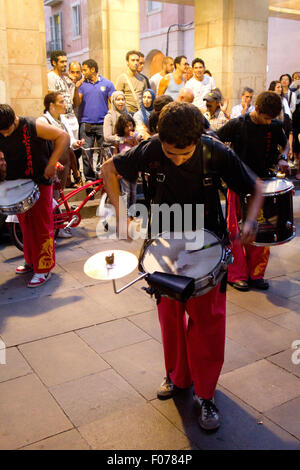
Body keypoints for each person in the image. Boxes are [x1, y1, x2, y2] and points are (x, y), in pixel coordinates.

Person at [102, 102, 263, 432]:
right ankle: (177, 377)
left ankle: (205, 394)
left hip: (208, 243)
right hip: (162, 243)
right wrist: (119, 214)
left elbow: (256, 187)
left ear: (198, 138)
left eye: (182, 154)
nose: (174, 159)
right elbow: (108, 169)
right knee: (170, 320)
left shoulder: (216, 152)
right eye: (169, 153)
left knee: (208, 325)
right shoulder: (149, 149)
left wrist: (249, 221)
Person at [217, 91, 289, 292]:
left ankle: (256, 273)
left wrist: (283, 156)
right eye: (266, 118)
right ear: (256, 109)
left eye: (271, 119)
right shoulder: (237, 124)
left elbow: (286, 144)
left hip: (263, 185)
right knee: (236, 231)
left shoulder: (274, 126)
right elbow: (214, 140)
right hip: (238, 185)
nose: (268, 123)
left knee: (262, 229)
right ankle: (236, 274)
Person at [0, 104, 69, 287]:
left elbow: (62, 136)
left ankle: (44, 268)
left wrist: (52, 164)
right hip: (16, 183)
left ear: (15, 119)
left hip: (39, 180)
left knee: (41, 226)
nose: (5, 135)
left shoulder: (32, 125)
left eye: (8, 130)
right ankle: (31, 261)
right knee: (26, 225)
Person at [73, 59, 115, 181]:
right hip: (86, 123)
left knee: (106, 152)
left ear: (92, 70)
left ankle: (105, 178)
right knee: (86, 154)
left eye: (84, 70)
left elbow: (113, 101)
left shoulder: (107, 84)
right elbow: (76, 102)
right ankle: (90, 180)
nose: (82, 72)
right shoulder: (82, 85)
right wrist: (76, 89)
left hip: (103, 123)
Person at [48, 50, 79, 143]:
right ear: (54, 62)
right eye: (62, 62)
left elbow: (75, 101)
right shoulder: (50, 77)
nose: (65, 64)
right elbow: (51, 99)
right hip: (60, 119)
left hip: (71, 117)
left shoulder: (66, 78)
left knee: (75, 148)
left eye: (66, 61)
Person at [268, 81, 293, 162]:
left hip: (282, 123)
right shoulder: (268, 100)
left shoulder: (283, 100)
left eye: (281, 87)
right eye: (278, 87)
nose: (280, 89)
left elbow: (288, 114)